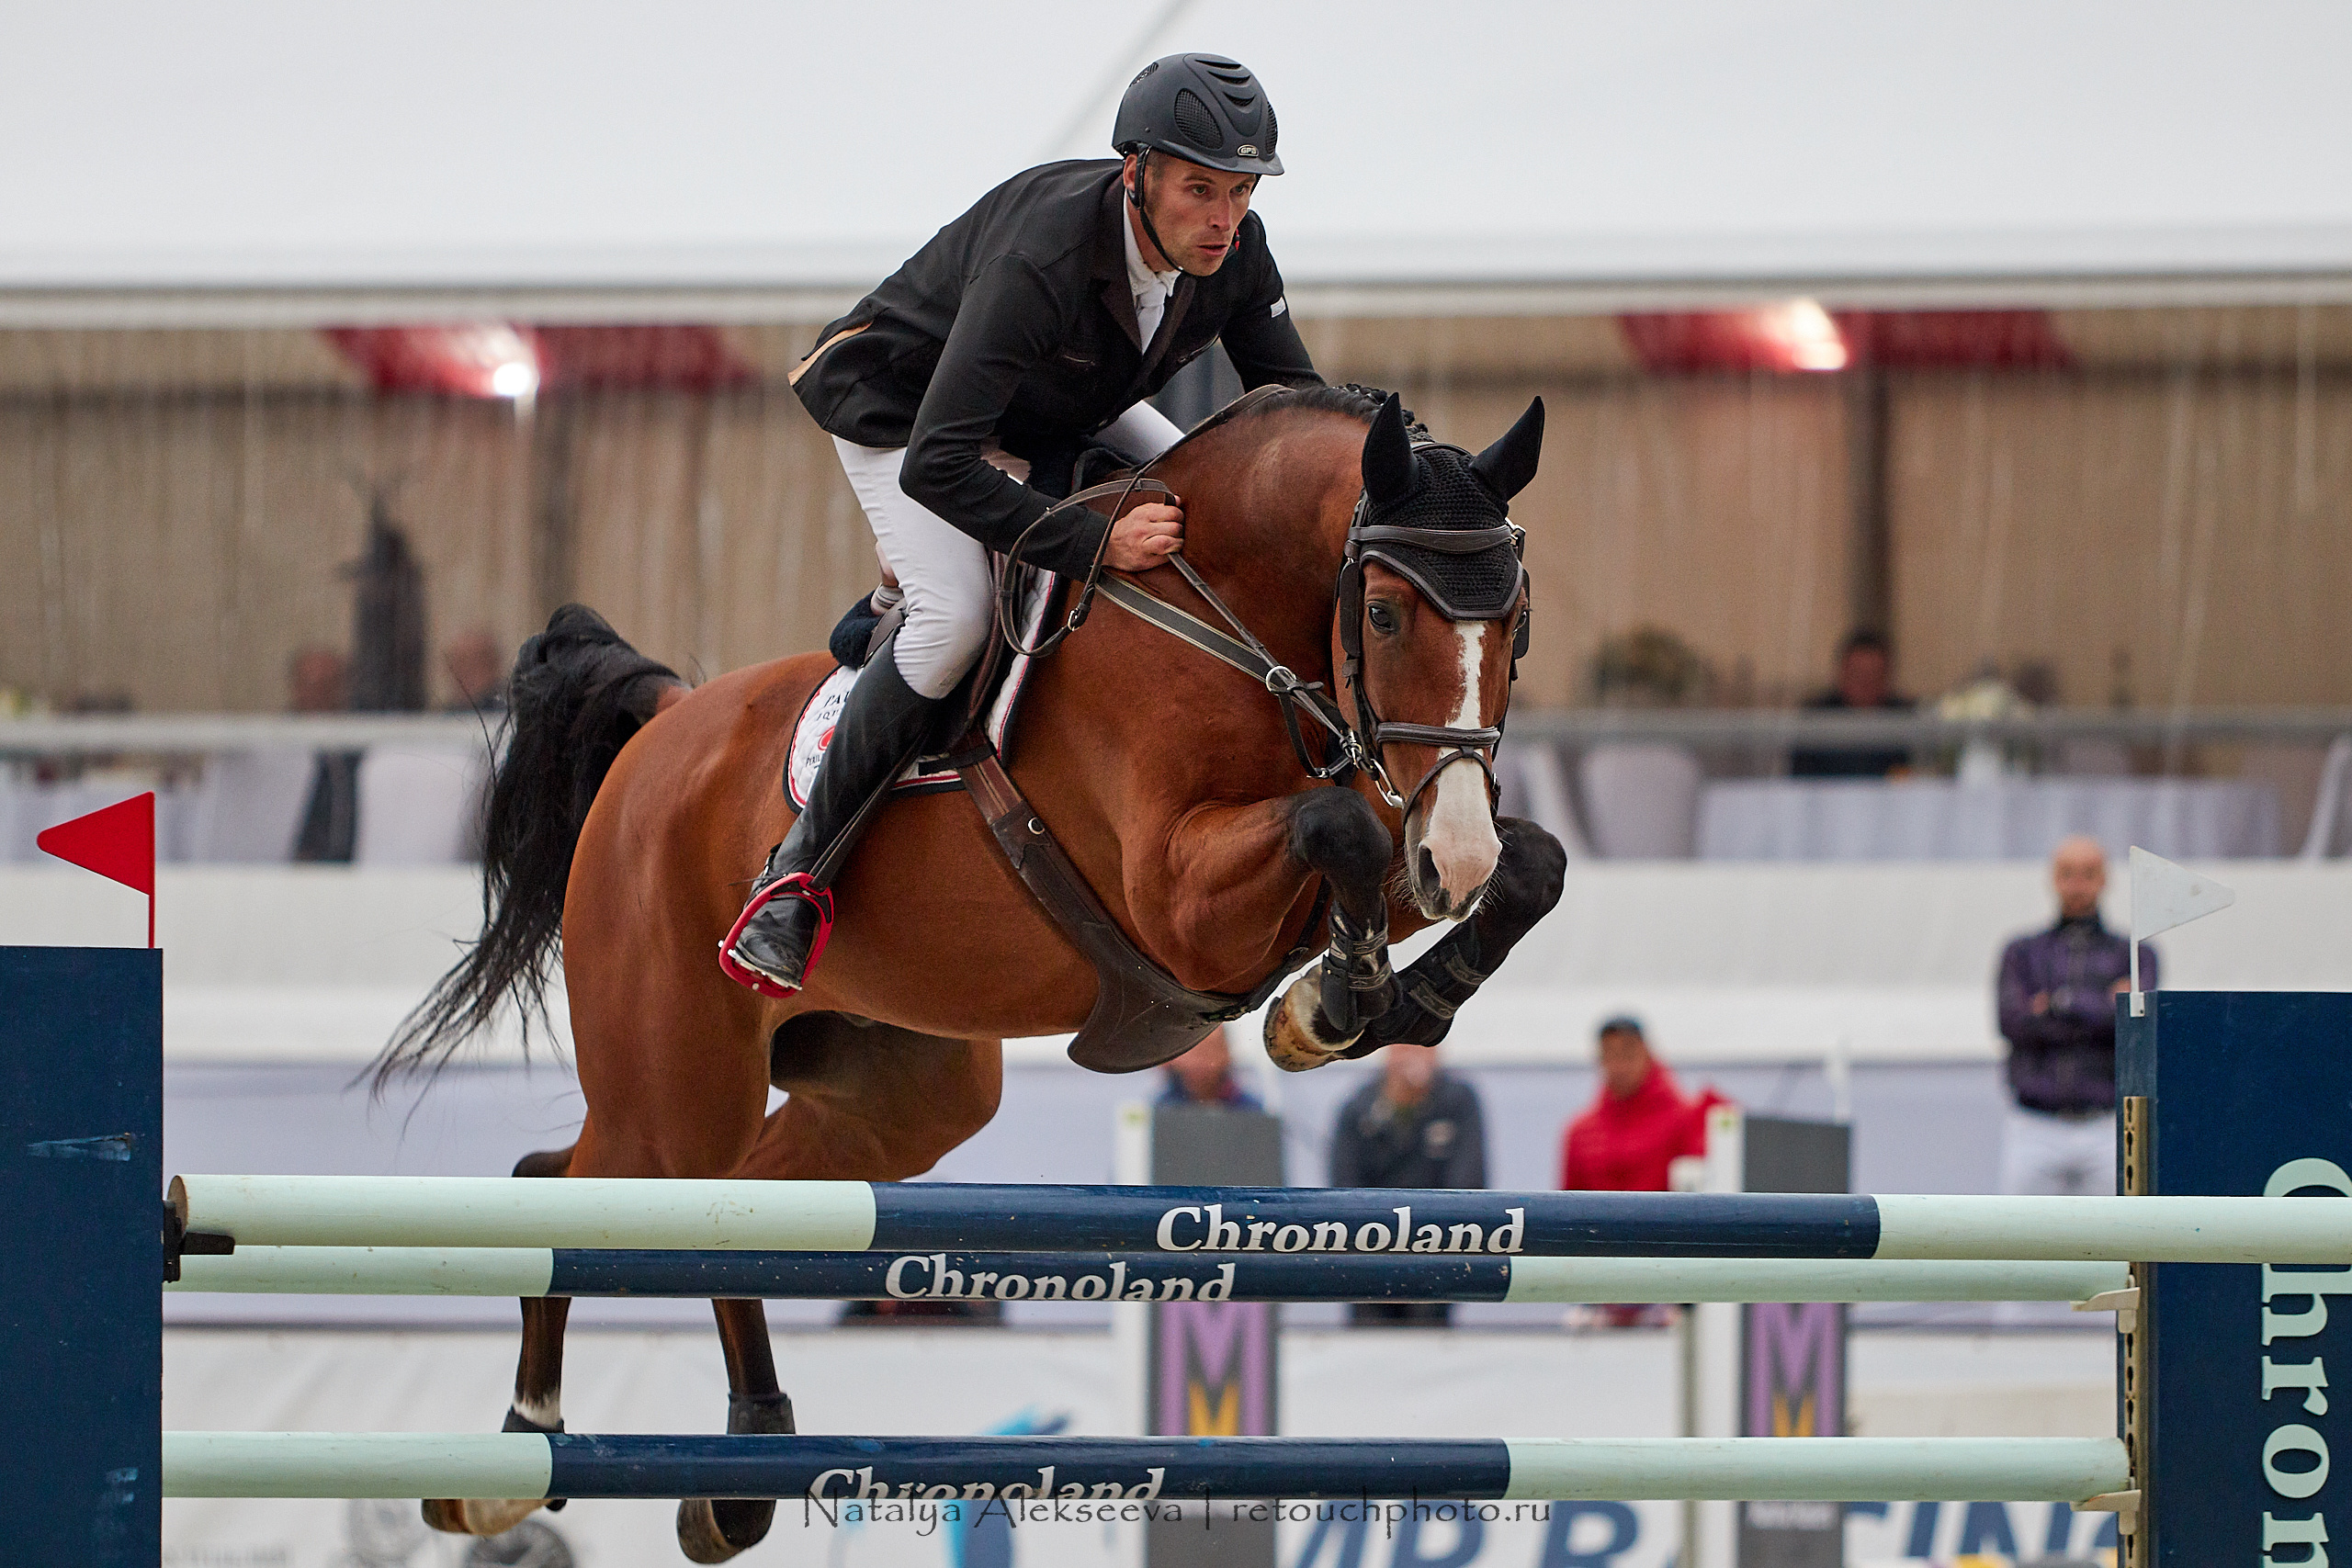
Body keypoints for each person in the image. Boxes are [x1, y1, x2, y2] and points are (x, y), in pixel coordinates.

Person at [722, 53, 1321, 997]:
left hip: (1053, 406)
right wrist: (1092, 542)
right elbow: (941, 462)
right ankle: (794, 875)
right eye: (1199, 189)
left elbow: (1295, 406)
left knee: (1194, 513)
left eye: (1241, 191)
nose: (1223, 219)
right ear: (1137, 174)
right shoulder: (1040, 259)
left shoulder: (1235, 251)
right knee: (956, 615)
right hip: (907, 416)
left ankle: (909, 583)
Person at [1996, 836, 2154, 1196]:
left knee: (2112, 1243)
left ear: (2104, 879)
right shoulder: (2022, 953)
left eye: (2088, 873)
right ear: (2053, 878)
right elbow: (2012, 1023)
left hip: (2108, 1126)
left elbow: (2136, 1028)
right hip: (2034, 1124)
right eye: (2067, 873)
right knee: (2022, 1241)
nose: (2078, 884)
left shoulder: (2134, 955)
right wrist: (2103, 1005)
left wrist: (2055, 1005)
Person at [1329, 1043, 1487, 1325]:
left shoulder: (1458, 1102)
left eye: (1424, 1046)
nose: (1412, 1058)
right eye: (1402, 1047)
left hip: (1437, 1263)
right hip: (1368, 1265)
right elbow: (1343, 1190)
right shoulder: (1358, 1108)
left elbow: (1469, 1183)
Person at [1789, 628, 1914, 778]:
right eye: (1858, 675)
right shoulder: (1817, 717)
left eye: (1874, 675)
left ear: (1887, 676)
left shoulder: (1905, 719)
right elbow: (1800, 780)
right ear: (1842, 673)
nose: (1865, 684)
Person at [287, 646, 359, 863]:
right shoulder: (278, 747)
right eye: (311, 686)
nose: (318, 696)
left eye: (328, 686)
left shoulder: (357, 748)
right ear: (296, 688)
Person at [1158, 1024, 1263, 1111]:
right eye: (1195, 1052)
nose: (1201, 1062)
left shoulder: (1249, 1109)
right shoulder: (1159, 1105)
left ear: (1227, 1055)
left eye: (1210, 1051)